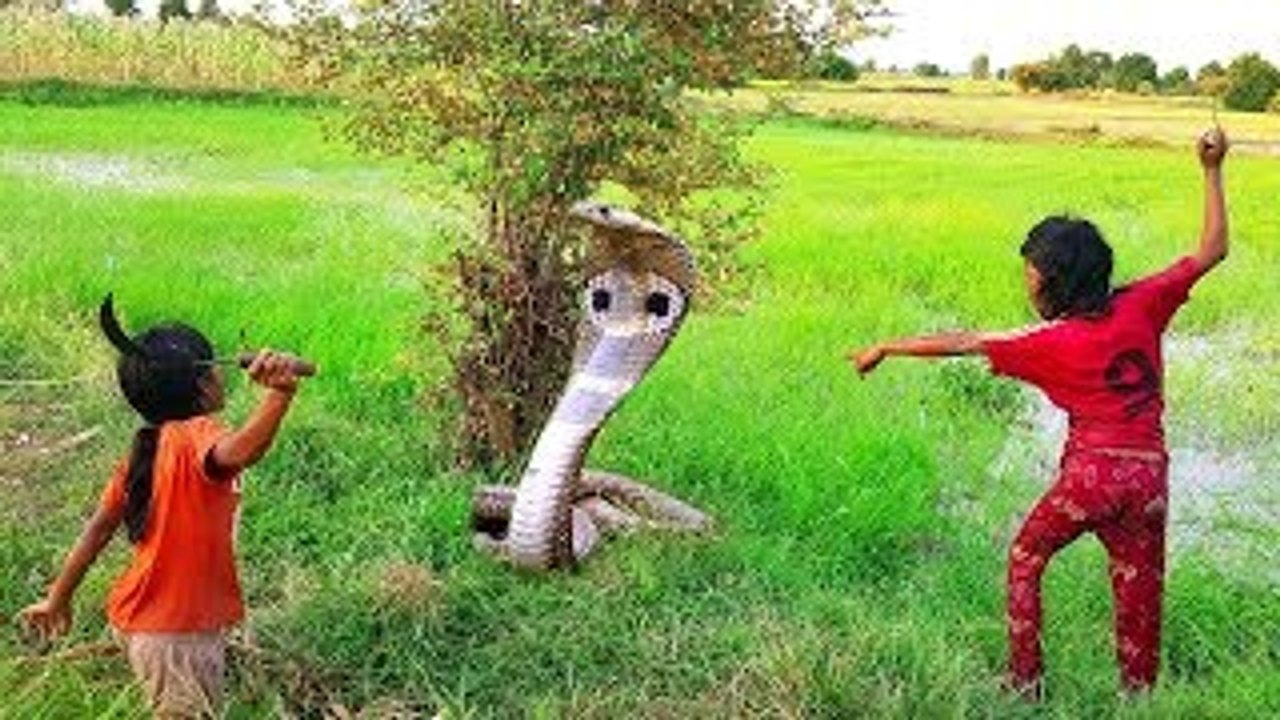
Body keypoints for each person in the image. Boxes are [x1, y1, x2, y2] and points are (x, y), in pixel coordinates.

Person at [849, 128, 1229, 696]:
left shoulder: (1048, 341)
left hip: (1092, 476)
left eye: (1031, 275)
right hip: (1149, 475)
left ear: (1055, 282)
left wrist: (887, 347)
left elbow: (965, 341)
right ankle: (1139, 697)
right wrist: (1211, 169)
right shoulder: (1143, 301)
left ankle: (1025, 684)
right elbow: (1212, 251)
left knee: (1027, 556)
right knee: (1139, 587)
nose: (1028, 285)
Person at [18, 296, 309, 717]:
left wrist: (56, 599)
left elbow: (97, 530)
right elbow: (242, 450)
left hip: (141, 620)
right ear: (204, 384)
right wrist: (280, 393)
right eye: (212, 368)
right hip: (178, 637)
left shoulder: (143, 452)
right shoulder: (196, 435)